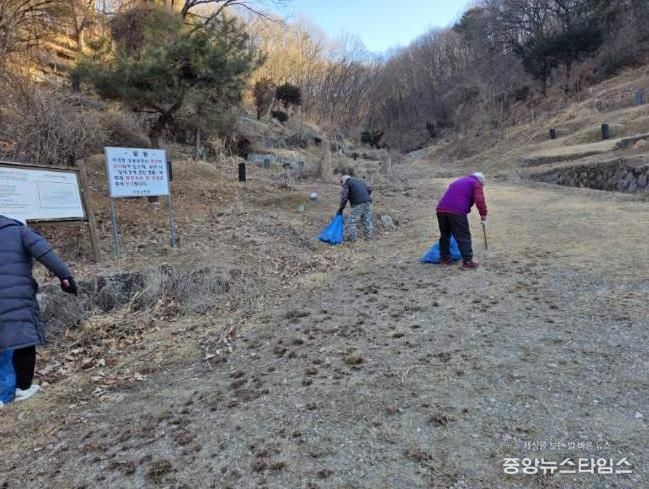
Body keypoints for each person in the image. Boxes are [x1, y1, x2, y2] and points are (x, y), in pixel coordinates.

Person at [0, 215, 77, 403]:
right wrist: (65, 277)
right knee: (23, 340)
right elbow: (45, 253)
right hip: (16, 297)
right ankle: (22, 388)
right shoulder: (20, 231)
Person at [436, 172, 488, 270]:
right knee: (463, 236)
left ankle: (444, 258)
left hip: (441, 210)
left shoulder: (460, 181)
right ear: (481, 181)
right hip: (457, 211)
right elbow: (479, 200)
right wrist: (483, 214)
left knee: (445, 235)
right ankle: (468, 262)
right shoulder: (476, 183)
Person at [337, 174, 373, 242]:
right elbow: (370, 189)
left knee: (352, 221)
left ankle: (352, 239)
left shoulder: (347, 183)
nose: (342, 185)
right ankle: (369, 238)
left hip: (358, 203)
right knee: (367, 220)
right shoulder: (360, 181)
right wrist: (366, 196)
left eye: (341, 183)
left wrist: (340, 209)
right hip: (368, 202)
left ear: (343, 180)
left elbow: (344, 198)